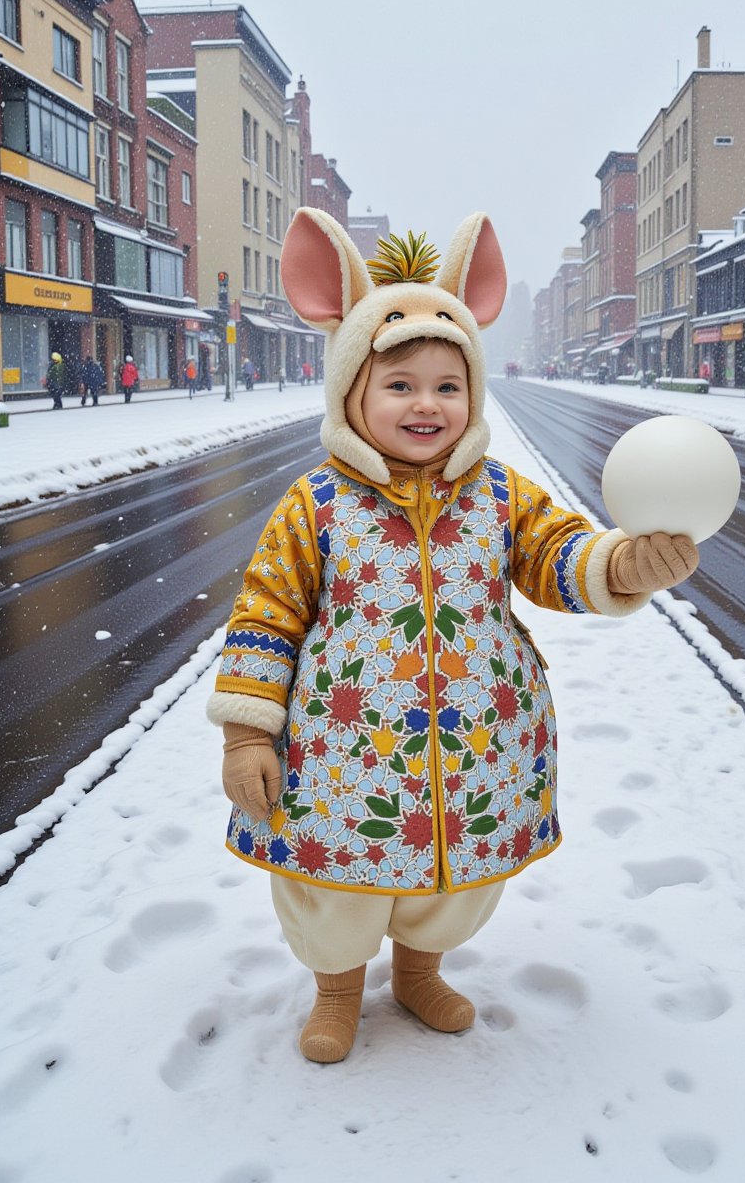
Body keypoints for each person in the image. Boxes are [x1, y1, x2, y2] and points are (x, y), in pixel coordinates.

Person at [207, 209, 699, 1065]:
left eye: (448, 383)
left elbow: (558, 554)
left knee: (452, 882)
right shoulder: (315, 505)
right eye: (400, 385)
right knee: (336, 890)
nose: (426, 404)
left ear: (473, 392)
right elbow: (267, 613)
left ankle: (421, 971)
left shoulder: (500, 495)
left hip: (476, 745)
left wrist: (622, 567)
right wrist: (250, 730)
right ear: (352, 391)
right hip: (342, 755)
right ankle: (336, 989)